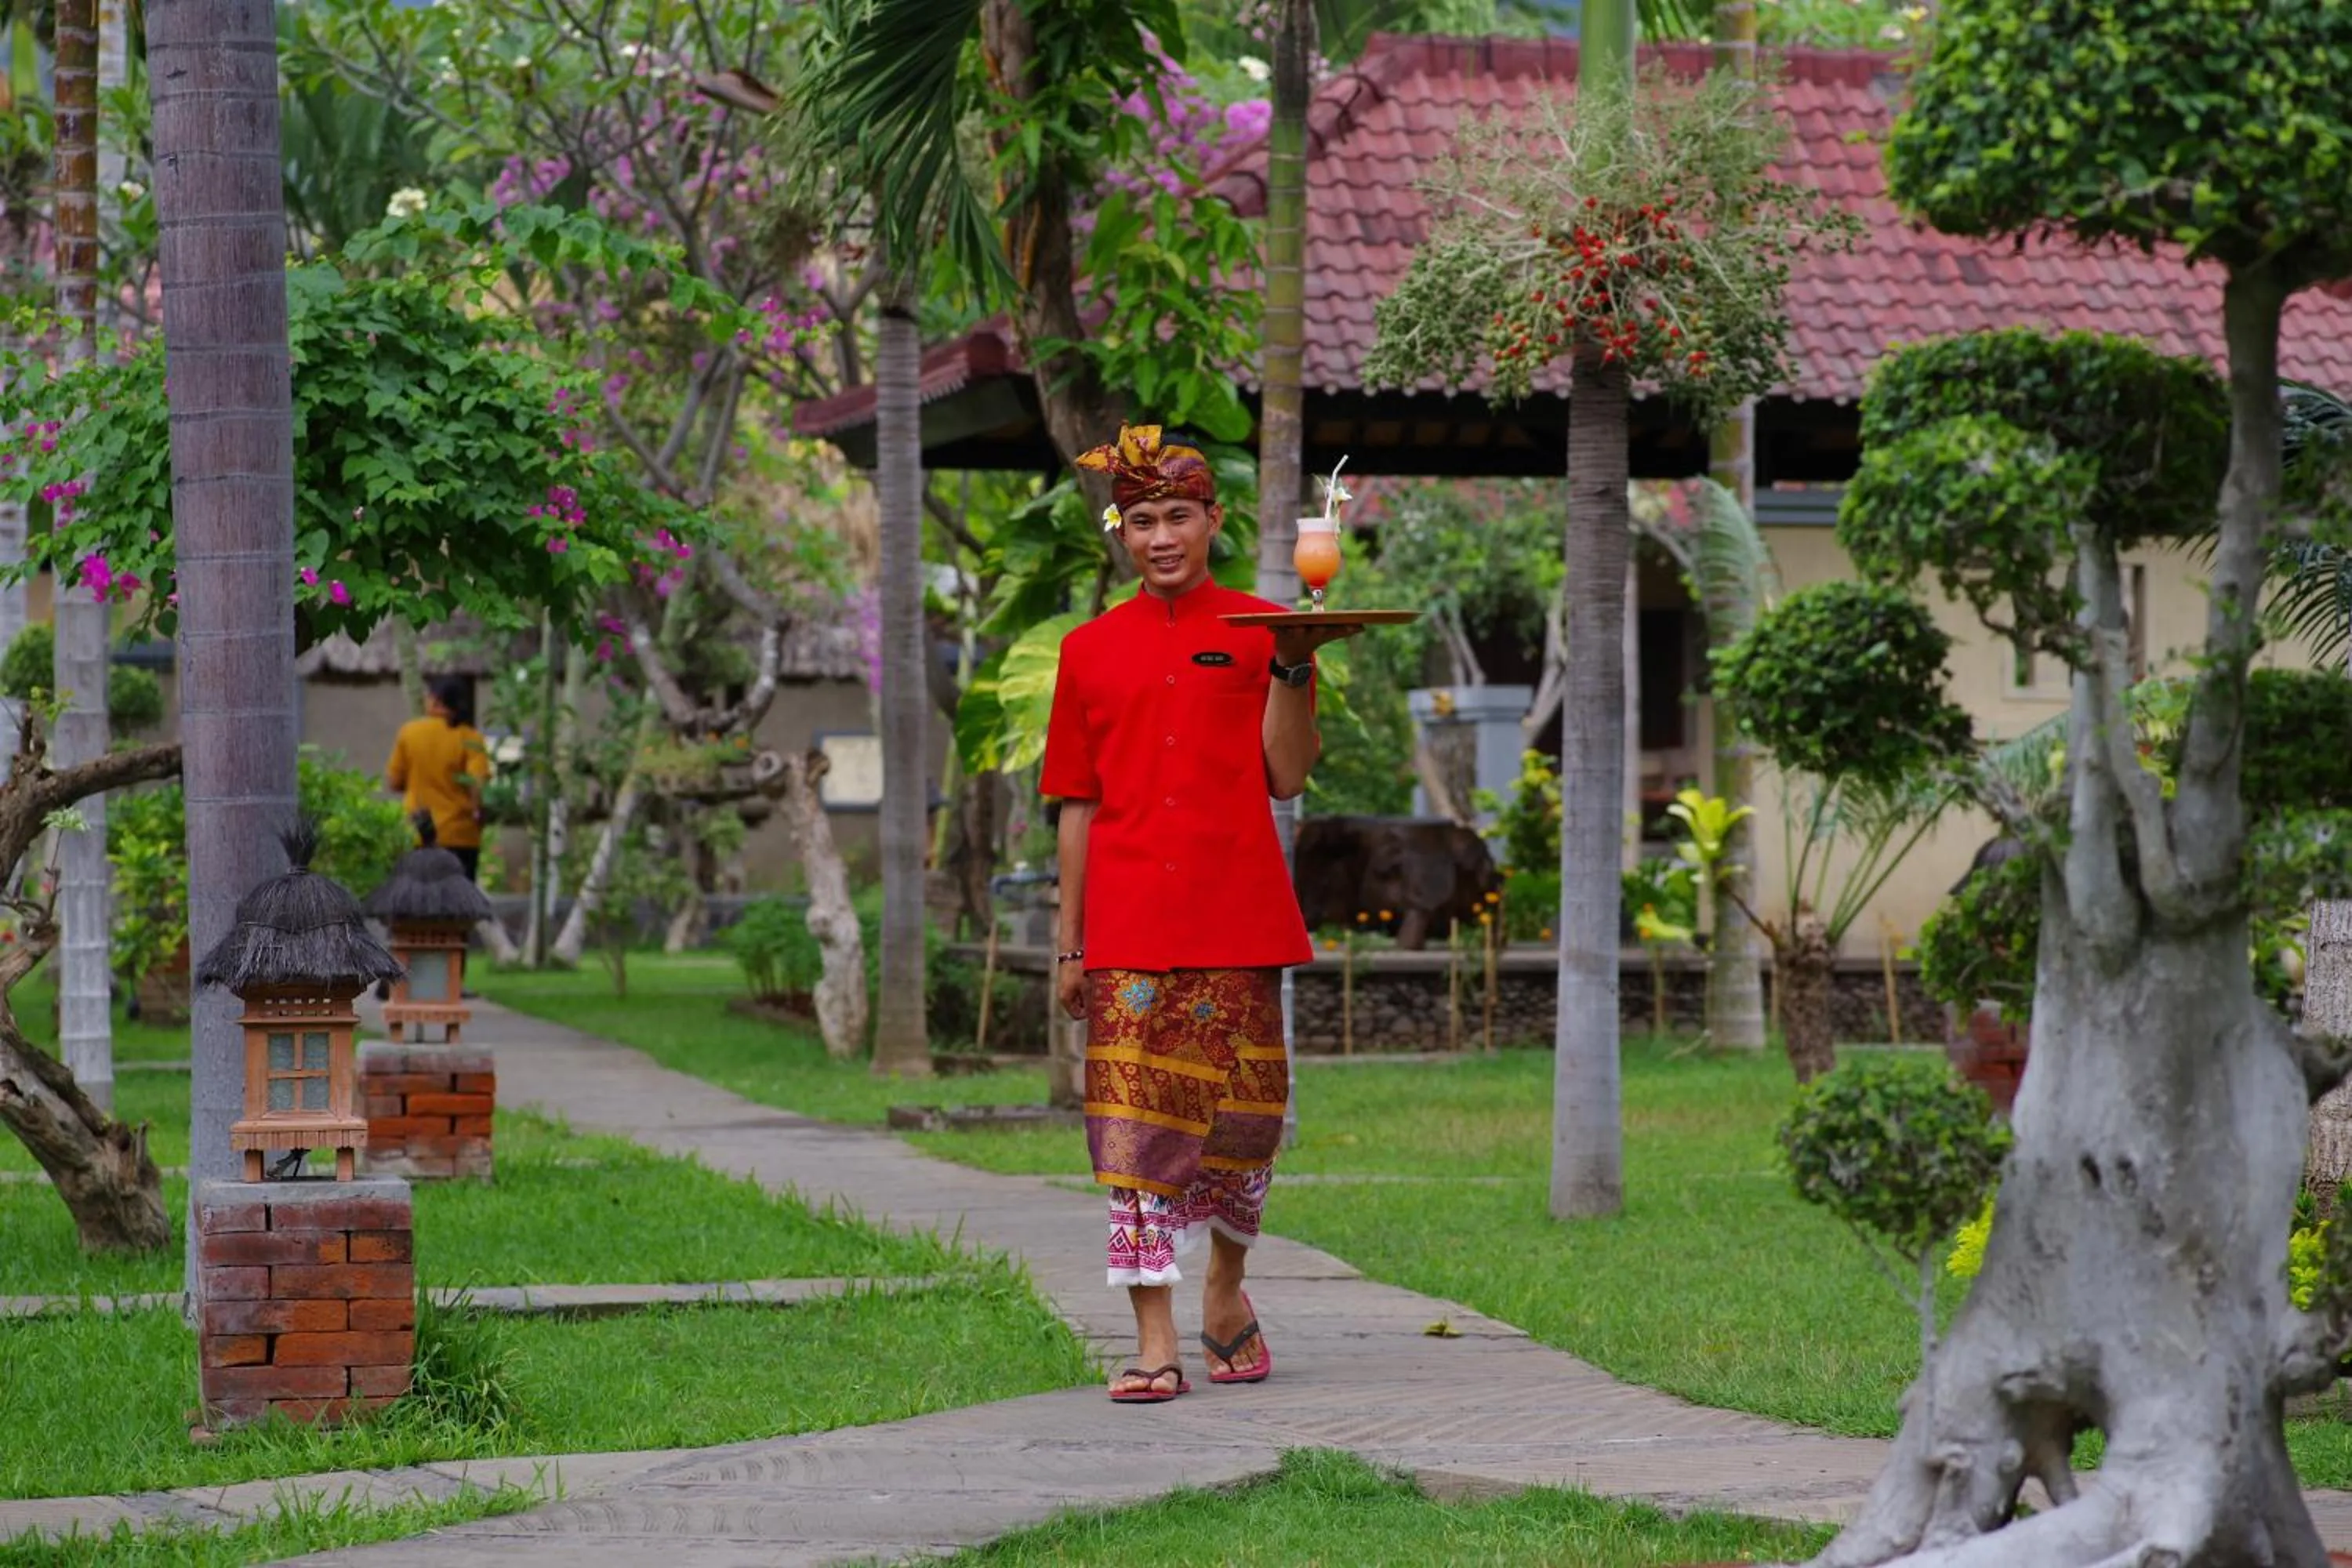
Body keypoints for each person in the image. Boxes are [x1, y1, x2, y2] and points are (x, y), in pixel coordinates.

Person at [1041, 423, 1358, 1404]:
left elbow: (1287, 773)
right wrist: (1068, 944)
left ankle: (1224, 1288)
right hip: (1129, 925)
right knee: (1133, 1137)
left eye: (1180, 515)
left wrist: (1296, 669)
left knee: (1241, 1131)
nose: (1163, 536)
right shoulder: (1087, 650)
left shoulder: (1270, 628)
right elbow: (1077, 806)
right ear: (1122, 533)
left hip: (1237, 919)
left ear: (1214, 520)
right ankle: (1153, 1339)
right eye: (1143, 520)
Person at [386, 675, 491, 880]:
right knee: (460, 905)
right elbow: (476, 784)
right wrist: (479, 814)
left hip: (419, 834)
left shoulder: (410, 733)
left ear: (435, 699)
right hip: (461, 837)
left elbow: (394, 782)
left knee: (419, 903)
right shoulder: (471, 738)